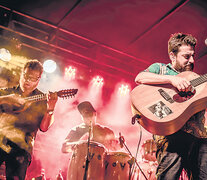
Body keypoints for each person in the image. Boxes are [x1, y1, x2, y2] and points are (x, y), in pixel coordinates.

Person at [135, 32, 207, 180]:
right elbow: (140, 77)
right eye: (186, 56)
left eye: (193, 55)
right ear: (173, 56)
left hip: (199, 138)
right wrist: (171, 80)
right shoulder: (160, 69)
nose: (192, 60)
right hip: (171, 135)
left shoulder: (197, 79)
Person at [0, 60, 58, 179]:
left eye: (32, 78)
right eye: (26, 76)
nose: (28, 81)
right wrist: (7, 99)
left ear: (38, 80)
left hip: (22, 147)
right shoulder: (8, 93)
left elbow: (44, 128)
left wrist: (51, 108)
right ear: (21, 74)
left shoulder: (42, 101)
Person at [62, 101, 122, 179]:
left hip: (101, 170)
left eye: (89, 113)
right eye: (84, 115)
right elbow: (64, 147)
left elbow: (114, 152)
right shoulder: (76, 130)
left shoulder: (107, 131)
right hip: (79, 168)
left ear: (95, 114)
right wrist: (79, 144)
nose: (87, 117)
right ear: (81, 117)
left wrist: (119, 144)